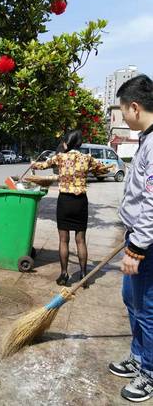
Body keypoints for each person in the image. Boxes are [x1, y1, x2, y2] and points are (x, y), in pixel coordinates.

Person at [107, 75, 153, 403]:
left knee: (146, 307)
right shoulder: (145, 140)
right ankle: (138, 356)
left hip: (146, 244)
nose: (123, 116)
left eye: (123, 110)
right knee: (130, 299)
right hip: (135, 236)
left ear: (134, 107)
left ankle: (149, 371)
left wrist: (136, 248)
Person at [32, 129, 111, 287]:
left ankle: (64, 274)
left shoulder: (60, 157)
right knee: (80, 240)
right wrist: (90, 170)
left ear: (66, 143)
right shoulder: (87, 158)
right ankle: (83, 275)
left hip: (65, 201)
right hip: (81, 202)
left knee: (63, 240)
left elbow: (42, 165)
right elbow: (104, 169)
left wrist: (33, 164)